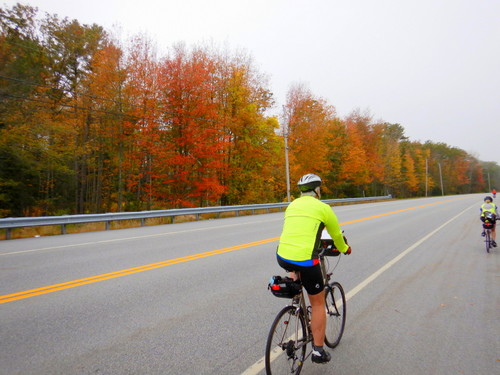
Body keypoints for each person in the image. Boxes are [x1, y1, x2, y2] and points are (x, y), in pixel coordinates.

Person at [276, 173, 351, 364]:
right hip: (306, 259)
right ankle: (318, 351)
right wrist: (345, 249)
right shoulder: (323, 208)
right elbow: (336, 235)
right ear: (317, 190)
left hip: (282, 256)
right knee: (317, 303)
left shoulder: (291, 205)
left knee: (296, 267)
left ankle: (296, 300)